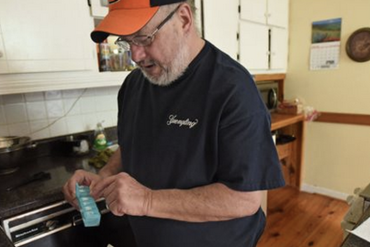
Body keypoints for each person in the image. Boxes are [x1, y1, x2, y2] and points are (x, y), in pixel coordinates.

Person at [63, 0, 285, 246]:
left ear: (184, 19)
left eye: (144, 38)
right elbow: (132, 145)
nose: (135, 56)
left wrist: (147, 201)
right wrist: (104, 176)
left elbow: (244, 199)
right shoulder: (133, 86)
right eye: (126, 41)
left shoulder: (233, 89)